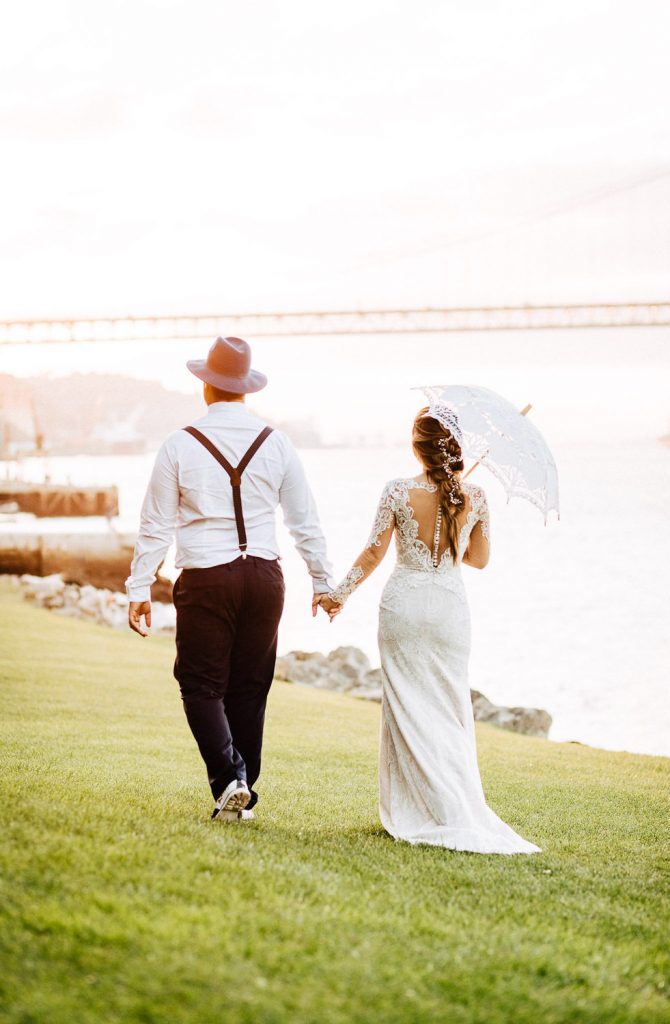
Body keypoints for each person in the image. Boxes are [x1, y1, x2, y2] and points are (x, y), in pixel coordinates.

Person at [126, 336, 334, 822]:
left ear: (206, 387)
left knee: (200, 684)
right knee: (250, 687)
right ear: (247, 389)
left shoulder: (180, 443)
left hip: (207, 576)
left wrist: (139, 588)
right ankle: (239, 793)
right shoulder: (276, 441)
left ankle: (229, 779)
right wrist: (322, 581)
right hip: (265, 576)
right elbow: (305, 520)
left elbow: (155, 523)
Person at [320, 406, 541, 854]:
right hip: (447, 607)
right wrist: (467, 517)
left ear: (416, 447)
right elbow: (478, 560)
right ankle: (451, 809)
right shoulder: (476, 496)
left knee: (405, 708)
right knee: (448, 709)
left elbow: (372, 553)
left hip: (403, 602)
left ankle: (417, 810)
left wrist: (338, 595)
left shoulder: (397, 490)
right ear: (455, 447)